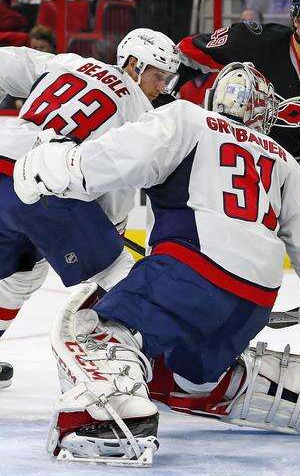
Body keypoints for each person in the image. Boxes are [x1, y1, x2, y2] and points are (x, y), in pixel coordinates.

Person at [13, 62, 300, 464]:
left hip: (189, 273)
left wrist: (58, 166)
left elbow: (120, 156)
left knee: (95, 330)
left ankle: (111, 421)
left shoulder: (188, 118)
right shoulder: (282, 158)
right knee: (186, 375)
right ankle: (279, 392)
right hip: (253, 301)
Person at [0, 28, 180, 389]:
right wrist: (111, 233)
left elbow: (8, 61)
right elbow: (117, 184)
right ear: (134, 64)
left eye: (167, 78)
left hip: (5, 157)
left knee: (20, 275)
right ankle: (167, 369)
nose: (162, 87)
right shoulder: (141, 114)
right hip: (50, 183)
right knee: (118, 273)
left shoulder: (68, 63)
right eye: (158, 76)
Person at [178, 0, 300, 219]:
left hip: (297, 180)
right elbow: (186, 53)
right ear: (296, 19)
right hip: (239, 169)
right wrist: (164, 94)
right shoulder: (256, 41)